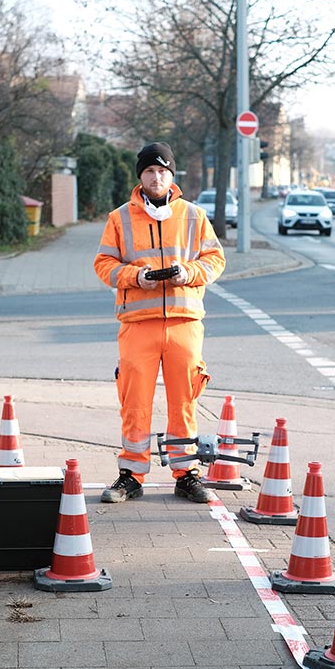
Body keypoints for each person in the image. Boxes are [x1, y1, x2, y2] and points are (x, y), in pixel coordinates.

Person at [94, 141, 226, 504]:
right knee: (135, 401)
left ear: (172, 175)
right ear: (141, 176)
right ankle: (131, 475)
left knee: (184, 400)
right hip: (138, 323)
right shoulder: (119, 218)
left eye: (163, 171)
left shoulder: (194, 216)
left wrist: (190, 272)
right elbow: (103, 264)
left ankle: (186, 474)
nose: (157, 177)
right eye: (150, 171)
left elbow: (215, 260)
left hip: (184, 321)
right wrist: (137, 277)